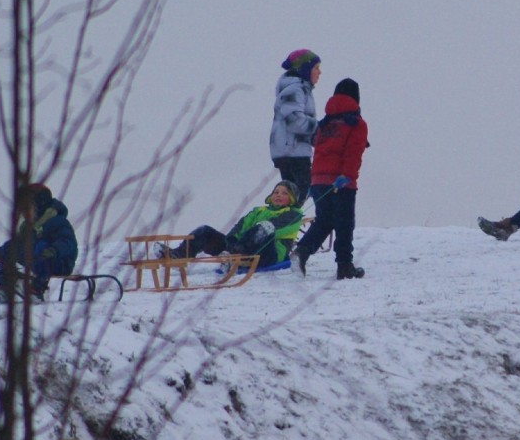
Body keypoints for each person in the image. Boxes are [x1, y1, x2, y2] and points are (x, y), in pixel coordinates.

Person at [292, 78, 369, 280]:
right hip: (341, 181)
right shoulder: (356, 124)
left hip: (318, 180)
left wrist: (313, 179)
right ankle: (345, 266)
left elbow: (318, 153)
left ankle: (302, 252)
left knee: (324, 221)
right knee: (344, 223)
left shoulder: (324, 124)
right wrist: (347, 176)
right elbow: (353, 153)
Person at [156, 181, 303, 269]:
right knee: (204, 230)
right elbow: (241, 225)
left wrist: (241, 245)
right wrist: (231, 240)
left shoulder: (294, 214)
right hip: (240, 249)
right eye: (276, 192)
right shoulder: (259, 210)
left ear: (291, 199)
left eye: (284, 193)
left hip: (269, 254)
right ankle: (179, 255)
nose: (278, 195)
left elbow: (275, 227)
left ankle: (235, 256)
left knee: (265, 227)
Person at [0, 184, 78, 298]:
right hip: (37, 261)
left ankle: (37, 289)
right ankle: (6, 284)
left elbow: (67, 242)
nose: (25, 213)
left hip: (59, 263)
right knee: (12, 246)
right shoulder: (29, 226)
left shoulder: (57, 222)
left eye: (27, 208)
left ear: (40, 205)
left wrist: (53, 250)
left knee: (41, 246)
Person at [269, 48, 322, 206]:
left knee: (293, 196)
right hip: (292, 152)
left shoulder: (300, 89)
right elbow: (294, 120)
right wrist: (321, 128)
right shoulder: (296, 89)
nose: (320, 72)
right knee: (298, 195)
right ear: (305, 69)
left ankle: (285, 224)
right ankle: (284, 224)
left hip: (290, 149)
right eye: (316, 68)